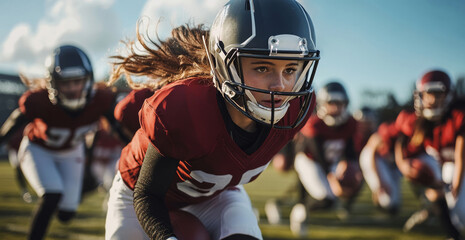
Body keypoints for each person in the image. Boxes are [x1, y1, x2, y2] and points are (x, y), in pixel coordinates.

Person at [104, 0, 320, 239]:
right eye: (262, 68)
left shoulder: (297, 107)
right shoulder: (186, 109)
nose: (280, 85)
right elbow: (147, 194)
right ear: (225, 65)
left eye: (290, 69)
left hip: (214, 196)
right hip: (139, 194)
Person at [0, 45, 127, 240]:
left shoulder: (100, 100)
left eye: (78, 81)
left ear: (88, 79)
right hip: (39, 149)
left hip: (72, 151)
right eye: (66, 83)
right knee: (51, 195)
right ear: (53, 84)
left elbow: (117, 129)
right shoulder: (39, 101)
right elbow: (15, 121)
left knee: (66, 214)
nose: (73, 89)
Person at [394, 69, 464, 239]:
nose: (432, 99)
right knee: (456, 215)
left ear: (448, 95)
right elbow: (400, 145)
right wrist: (403, 166)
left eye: (438, 94)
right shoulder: (416, 120)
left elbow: (461, 155)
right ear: (420, 96)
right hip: (445, 164)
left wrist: (456, 183)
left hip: (459, 164)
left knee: (461, 215)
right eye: (428, 94)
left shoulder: (458, 116)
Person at [289, 81, 364, 236]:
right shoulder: (315, 124)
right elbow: (318, 154)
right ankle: (299, 211)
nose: (336, 108)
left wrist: (350, 167)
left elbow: (349, 152)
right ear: (323, 104)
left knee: (350, 184)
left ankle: (311, 206)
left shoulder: (350, 123)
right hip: (309, 161)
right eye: (332, 103)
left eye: (340, 103)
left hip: (331, 162)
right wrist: (332, 178)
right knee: (326, 199)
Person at [360, 121, 403, 215]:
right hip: (371, 159)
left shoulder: (401, 138)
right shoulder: (381, 136)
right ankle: (380, 202)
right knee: (387, 200)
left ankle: (382, 204)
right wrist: (380, 182)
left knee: (394, 201)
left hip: (384, 161)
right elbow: (371, 159)